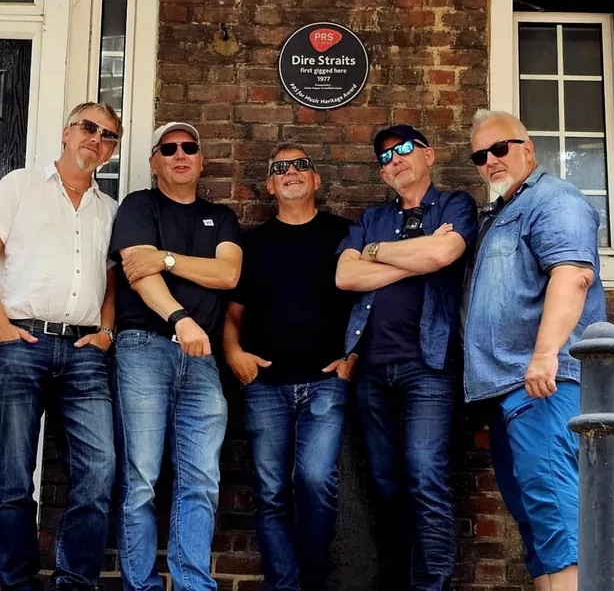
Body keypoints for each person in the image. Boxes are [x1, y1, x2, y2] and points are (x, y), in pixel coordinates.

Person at [462, 109, 606, 591]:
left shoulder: (553, 199)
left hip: (542, 384)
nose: (490, 161)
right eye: (480, 156)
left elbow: (572, 274)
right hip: (508, 389)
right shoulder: (501, 213)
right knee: (535, 524)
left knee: (556, 518)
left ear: (528, 149)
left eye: (499, 148)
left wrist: (545, 355)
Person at [336, 125, 478, 591]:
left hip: (428, 366)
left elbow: (443, 255)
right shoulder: (370, 217)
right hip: (372, 367)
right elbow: (345, 277)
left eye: (402, 149)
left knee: (425, 474)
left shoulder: (455, 206)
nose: (393, 159)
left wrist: (375, 254)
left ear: (428, 155)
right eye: (384, 157)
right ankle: (399, 580)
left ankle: (431, 584)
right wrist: (411, 258)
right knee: (385, 481)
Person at [109, 121, 242, 591]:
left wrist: (165, 258)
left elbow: (227, 275)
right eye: (168, 149)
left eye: (189, 147)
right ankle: (141, 585)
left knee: (201, 481)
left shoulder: (221, 217)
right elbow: (138, 273)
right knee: (141, 479)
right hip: (145, 347)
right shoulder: (138, 206)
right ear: (154, 162)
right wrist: (180, 318)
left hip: (201, 359)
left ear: (201, 160)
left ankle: (193, 585)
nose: (180, 155)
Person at [0, 101, 122, 591]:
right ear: (66, 131)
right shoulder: (20, 185)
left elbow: (111, 282)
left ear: (111, 152)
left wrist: (107, 332)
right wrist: (1, 325)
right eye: (89, 127)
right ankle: (15, 582)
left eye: (108, 135)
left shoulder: (109, 210)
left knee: (99, 470)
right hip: (21, 342)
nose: (97, 139)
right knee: (11, 477)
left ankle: (74, 582)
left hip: (84, 352)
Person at [223, 143, 355, 591]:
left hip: (326, 382)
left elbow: (369, 302)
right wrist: (234, 354)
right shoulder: (253, 244)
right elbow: (232, 314)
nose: (291, 172)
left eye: (301, 165)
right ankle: (284, 584)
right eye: (280, 167)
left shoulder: (344, 234)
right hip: (265, 385)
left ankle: (312, 580)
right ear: (269, 185)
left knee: (315, 480)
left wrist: (355, 357)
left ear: (316, 179)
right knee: (271, 494)